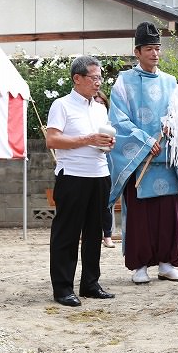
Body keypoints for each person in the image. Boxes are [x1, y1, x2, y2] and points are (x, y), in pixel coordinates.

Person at [107, 21, 178, 285]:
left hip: (166, 159)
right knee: (140, 216)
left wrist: (174, 126)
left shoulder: (171, 82)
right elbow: (118, 120)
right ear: (137, 52)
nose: (155, 53)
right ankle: (140, 266)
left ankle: (167, 263)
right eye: (149, 49)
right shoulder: (124, 82)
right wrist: (145, 141)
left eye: (157, 48)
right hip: (138, 160)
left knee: (167, 214)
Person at [45, 55, 116, 307]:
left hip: (99, 174)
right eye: (93, 78)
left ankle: (90, 283)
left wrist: (107, 143)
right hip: (73, 176)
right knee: (67, 233)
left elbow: (101, 140)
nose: (98, 83)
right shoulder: (61, 105)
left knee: (94, 232)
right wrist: (87, 139)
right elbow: (52, 140)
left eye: (100, 78)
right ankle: (63, 288)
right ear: (77, 79)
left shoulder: (99, 108)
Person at [93, 91, 116, 249]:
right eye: (97, 102)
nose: (99, 105)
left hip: (107, 166)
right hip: (89, 168)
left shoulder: (110, 124)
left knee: (106, 203)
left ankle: (107, 235)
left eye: (102, 103)